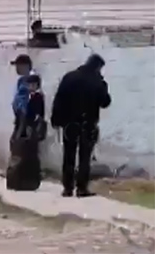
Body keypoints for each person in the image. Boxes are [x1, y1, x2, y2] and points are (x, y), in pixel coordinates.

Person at [51, 54, 111, 198]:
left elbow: (59, 99)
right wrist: (103, 86)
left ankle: (67, 188)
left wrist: (56, 120)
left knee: (68, 155)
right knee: (85, 157)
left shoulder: (69, 77)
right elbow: (105, 102)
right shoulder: (97, 81)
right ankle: (81, 188)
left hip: (70, 124)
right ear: (98, 67)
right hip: (88, 124)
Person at [6, 73, 46, 191]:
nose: (31, 87)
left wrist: (33, 126)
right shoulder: (25, 96)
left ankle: (30, 177)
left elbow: (38, 114)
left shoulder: (38, 97)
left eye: (33, 84)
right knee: (19, 150)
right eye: (29, 84)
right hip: (22, 126)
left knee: (30, 152)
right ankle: (18, 175)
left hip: (30, 127)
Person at [10, 54, 35, 135]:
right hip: (20, 117)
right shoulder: (22, 80)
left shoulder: (29, 81)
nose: (16, 68)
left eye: (18, 65)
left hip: (24, 119)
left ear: (26, 66)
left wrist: (21, 125)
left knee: (20, 143)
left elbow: (25, 103)